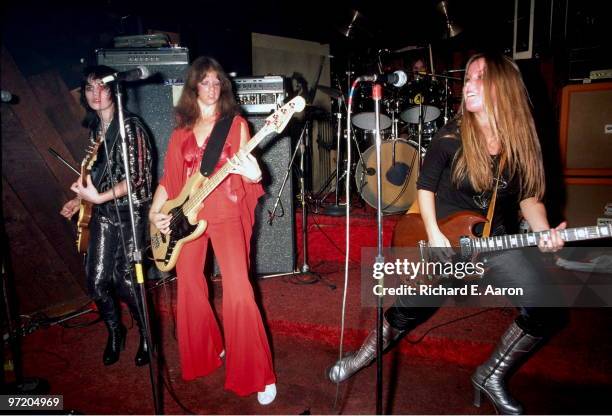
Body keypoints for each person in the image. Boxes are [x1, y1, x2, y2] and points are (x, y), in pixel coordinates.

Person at [328, 52, 568, 414]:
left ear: (504, 87)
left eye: (478, 78)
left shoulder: (522, 142)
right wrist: (435, 235)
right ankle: (361, 357)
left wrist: (544, 231)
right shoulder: (452, 135)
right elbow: (424, 187)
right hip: (444, 240)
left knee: (547, 308)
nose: (468, 85)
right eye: (468, 78)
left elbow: (530, 198)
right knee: (409, 312)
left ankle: (490, 376)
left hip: (493, 241)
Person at [148, 56, 277, 405]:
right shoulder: (180, 133)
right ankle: (206, 352)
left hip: (225, 212)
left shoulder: (234, 126)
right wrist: (154, 213)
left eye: (217, 80)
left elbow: (251, 170)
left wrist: (255, 175)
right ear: (193, 88)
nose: (212, 87)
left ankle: (258, 373)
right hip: (186, 218)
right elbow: (169, 180)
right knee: (189, 285)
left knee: (238, 291)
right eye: (204, 81)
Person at [60, 65, 153, 367]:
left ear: (114, 91)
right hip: (102, 213)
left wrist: (98, 197)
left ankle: (147, 336)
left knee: (126, 282)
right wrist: (79, 199)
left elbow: (137, 177)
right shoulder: (95, 129)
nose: (95, 93)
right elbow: (97, 174)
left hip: (130, 214)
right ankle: (116, 331)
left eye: (102, 87)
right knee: (96, 281)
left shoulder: (131, 127)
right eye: (89, 88)